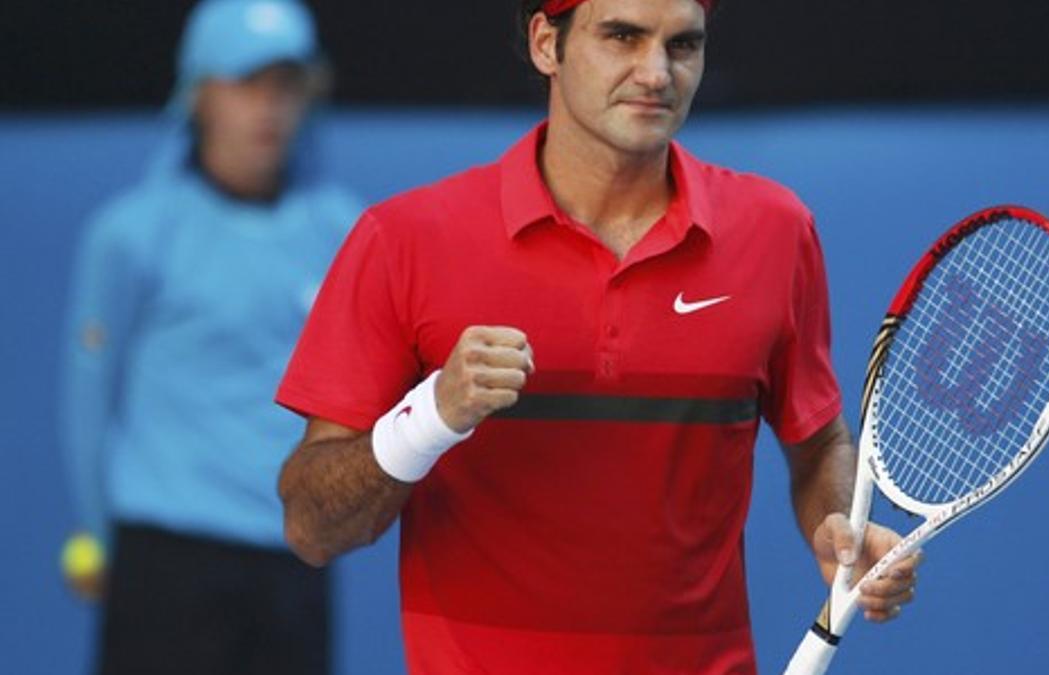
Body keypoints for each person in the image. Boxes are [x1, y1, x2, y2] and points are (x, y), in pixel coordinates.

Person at [276, 0, 919, 672]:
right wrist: (429, 416)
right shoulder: (405, 240)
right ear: (545, 45)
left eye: (683, 45)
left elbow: (818, 441)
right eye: (622, 36)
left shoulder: (777, 231)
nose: (656, 73)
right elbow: (312, 526)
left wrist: (839, 524)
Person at [59, 1, 360, 673]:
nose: (269, 106)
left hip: (295, 561)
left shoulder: (347, 235)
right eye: (245, 82)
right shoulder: (130, 234)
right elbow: (88, 400)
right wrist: (94, 530)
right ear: (198, 92)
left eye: (286, 84)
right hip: (166, 561)